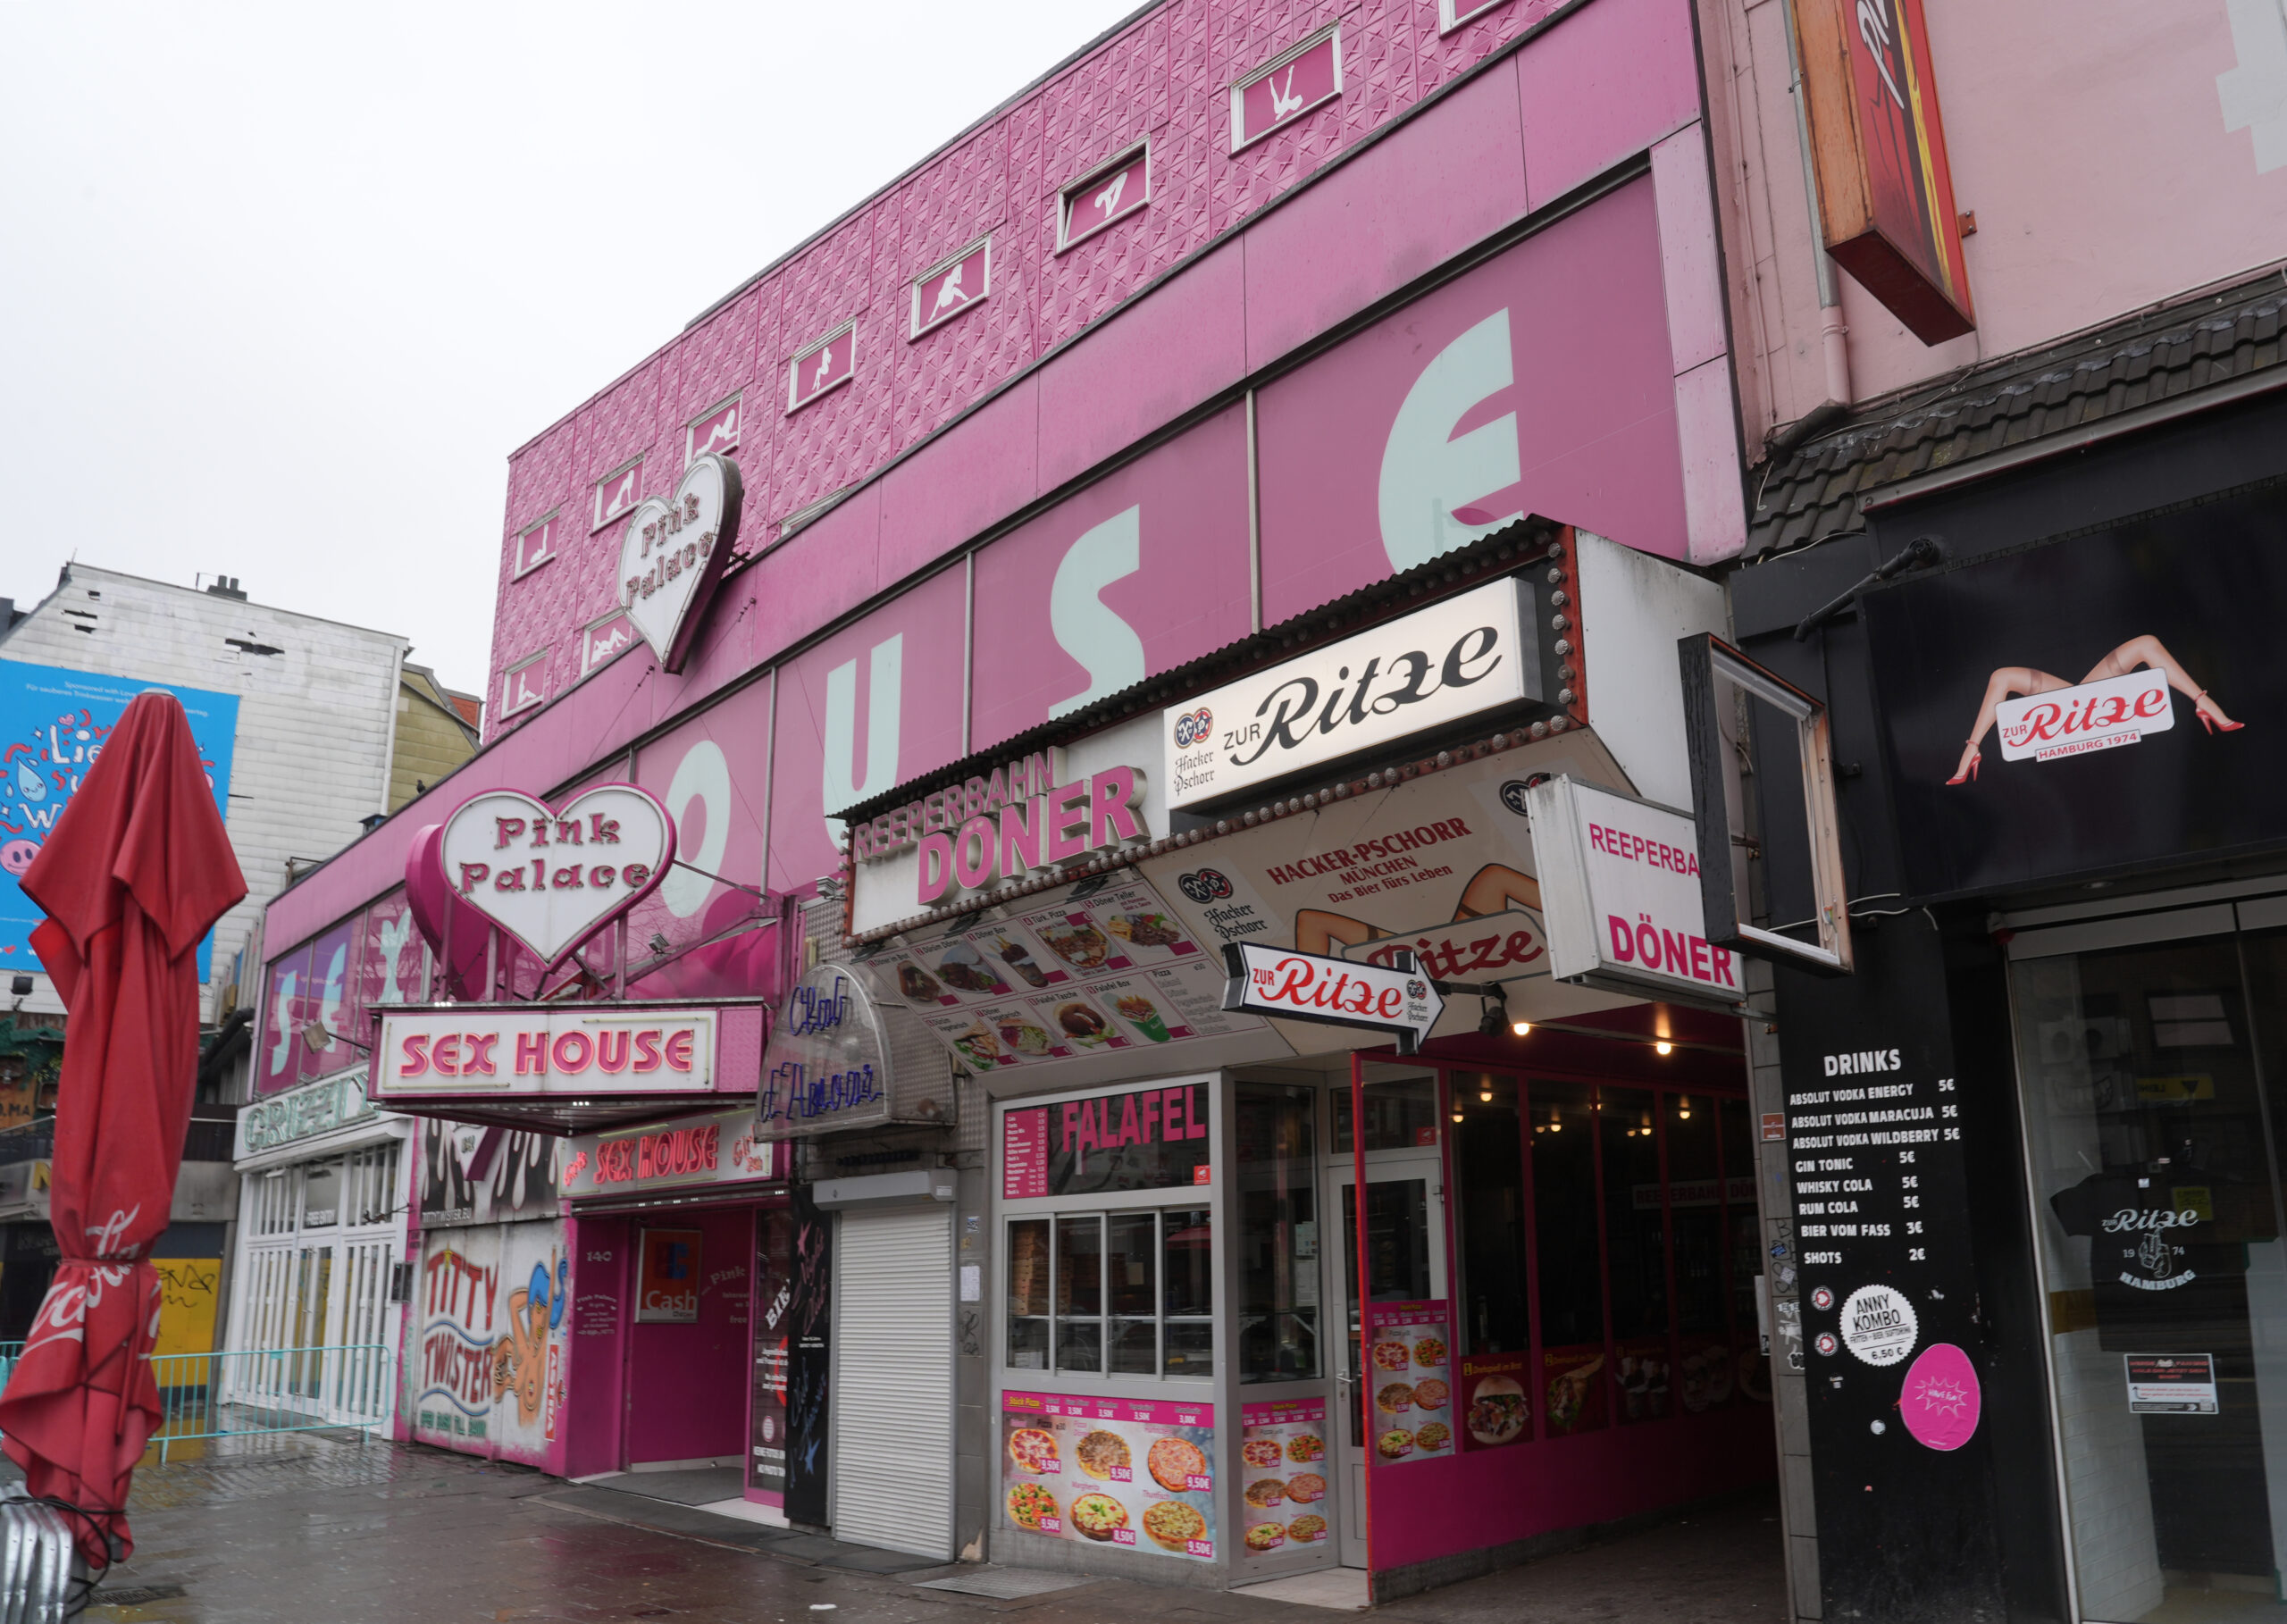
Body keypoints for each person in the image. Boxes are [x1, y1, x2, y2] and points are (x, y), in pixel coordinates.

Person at [1948, 634, 2241, 784]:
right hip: (2080, 702)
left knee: (2146, 644)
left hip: (2082, 700)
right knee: (2001, 676)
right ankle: (1972, 748)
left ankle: (2203, 701)